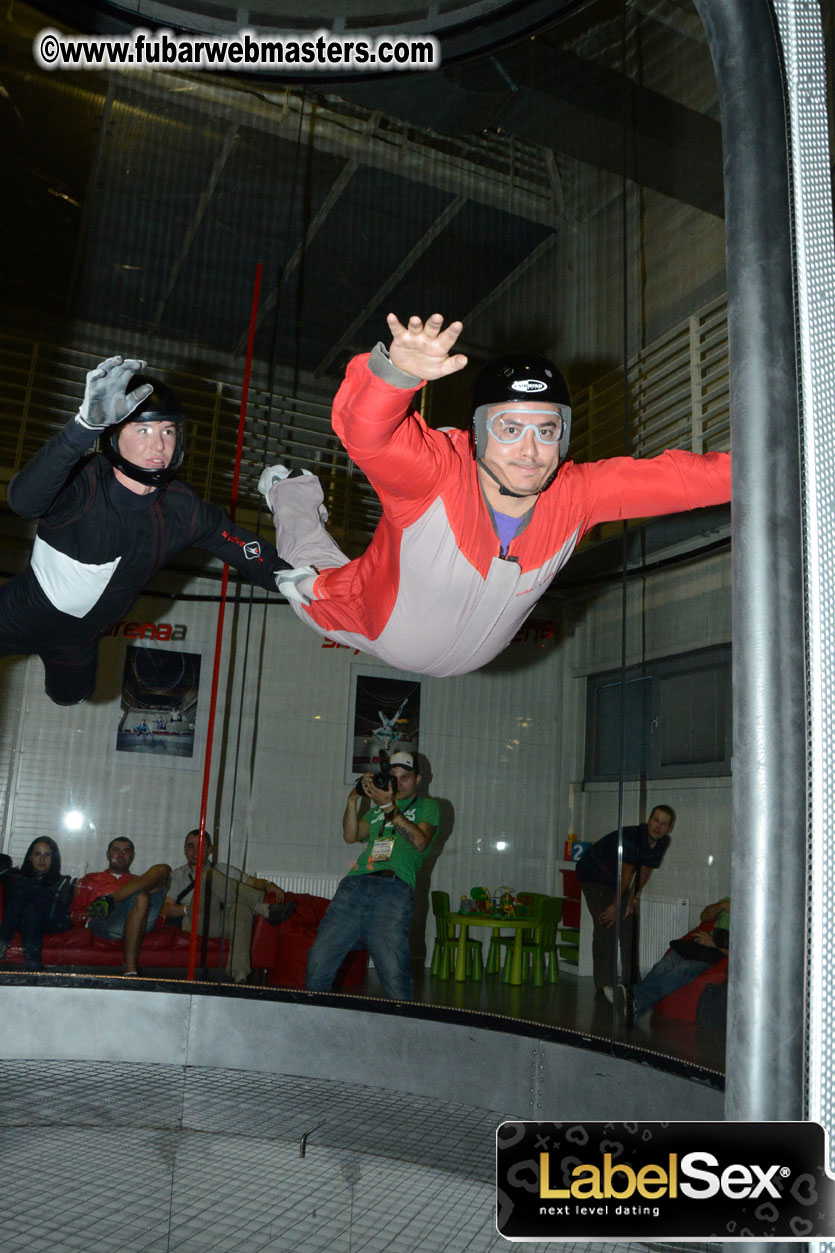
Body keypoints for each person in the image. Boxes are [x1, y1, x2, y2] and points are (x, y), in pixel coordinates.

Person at [260, 312, 731, 677]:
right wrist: (395, 375)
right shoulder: (435, 476)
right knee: (307, 565)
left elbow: (689, 481)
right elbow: (367, 435)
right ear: (481, 433)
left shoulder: (578, 495)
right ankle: (289, 487)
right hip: (369, 620)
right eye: (509, 428)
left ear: (563, 439)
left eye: (547, 431)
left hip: (469, 657)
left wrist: (782, 458)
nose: (530, 451)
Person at [0, 356, 291, 706]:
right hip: (18, 611)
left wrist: (291, 577)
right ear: (114, 437)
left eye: (167, 431)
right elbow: (24, 502)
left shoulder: (185, 510)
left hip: (79, 639)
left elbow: (245, 550)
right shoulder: (85, 482)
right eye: (143, 430)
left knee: (71, 696)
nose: (159, 446)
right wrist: (83, 427)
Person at [306, 750, 439, 1001]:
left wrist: (389, 807)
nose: (398, 783)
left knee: (393, 973)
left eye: (405, 777)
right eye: (394, 777)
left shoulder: (428, 807)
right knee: (318, 959)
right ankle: (316, 1021)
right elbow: (350, 836)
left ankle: (403, 1031)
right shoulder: (377, 810)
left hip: (393, 890)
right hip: (354, 886)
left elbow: (420, 842)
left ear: (418, 779)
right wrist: (352, 799)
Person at [163, 829, 296, 983]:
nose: (195, 851)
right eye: (191, 846)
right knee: (207, 876)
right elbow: (166, 909)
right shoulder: (178, 875)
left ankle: (239, 976)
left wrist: (268, 884)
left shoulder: (223, 869)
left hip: (225, 921)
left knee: (242, 909)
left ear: (210, 849)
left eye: (201, 846)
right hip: (197, 921)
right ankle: (262, 907)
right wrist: (189, 908)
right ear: (185, 850)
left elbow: (252, 882)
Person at [575, 805, 676, 997]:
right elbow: (626, 874)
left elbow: (645, 871)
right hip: (594, 874)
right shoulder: (633, 838)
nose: (658, 827)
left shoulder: (663, 842)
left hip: (616, 879)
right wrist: (615, 905)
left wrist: (631, 899)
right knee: (608, 922)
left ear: (669, 828)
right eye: (655, 820)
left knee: (629, 923)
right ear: (649, 820)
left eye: (664, 824)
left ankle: (631, 983)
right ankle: (604, 985)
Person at [610, 896, 730, 1025]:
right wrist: (722, 905)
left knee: (684, 969)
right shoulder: (729, 902)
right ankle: (635, 1003)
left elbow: (741, 953)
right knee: (663, 966)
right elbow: (704, 916)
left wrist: (714, 944)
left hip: (716, 956)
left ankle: (632, 997)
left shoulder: (752, 918)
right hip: (699, 947)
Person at [73, 837, 171, 975]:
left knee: (162, 870)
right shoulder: (92, 878)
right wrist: (85, 917)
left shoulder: (141, 881)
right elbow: (77, 913)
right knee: (141, 897)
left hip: (138, 919)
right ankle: (130, 969)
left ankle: (109, 899)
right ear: (108, 855)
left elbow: (159, 916)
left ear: (132, 856)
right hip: (106, 922)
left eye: (126, 851)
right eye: (116, 850)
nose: (121, 854)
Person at [0, 837, 74, 970]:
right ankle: (33, 966)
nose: (42, 859)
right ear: (30, 857)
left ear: (53, 859)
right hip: (26, 920)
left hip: (54, 921)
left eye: (47, 855)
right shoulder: (18, 879)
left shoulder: (63, 881)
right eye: (37, 854)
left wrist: (34, 887)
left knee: (30, 887)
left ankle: (2, 941)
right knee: (31, 911)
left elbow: (59, 907)